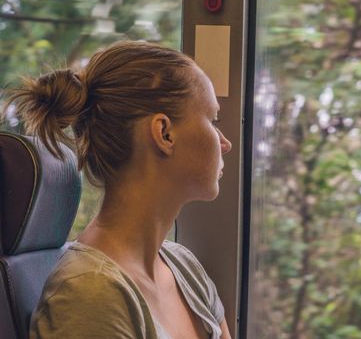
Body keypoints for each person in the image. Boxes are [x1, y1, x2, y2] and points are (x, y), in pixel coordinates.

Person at [4, 41, 233, 339]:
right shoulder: (88, 295)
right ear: (165, 133)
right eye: (212, 120)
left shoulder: (183, 266)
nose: (224, 143)